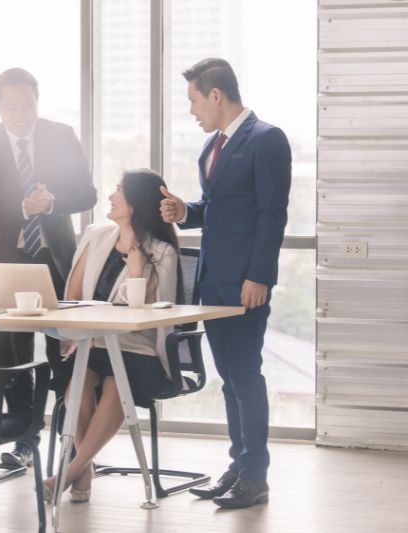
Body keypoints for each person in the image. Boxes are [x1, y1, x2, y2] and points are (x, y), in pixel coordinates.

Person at [159, 58, 291, 509]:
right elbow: (219, 206)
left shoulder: (266, 139)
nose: (192, 110)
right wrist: (186, 212)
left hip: (244, 283)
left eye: (195, 100)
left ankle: (255, 477)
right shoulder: (215, 145)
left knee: (245, 376)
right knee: (229, 380)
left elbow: (272, 214)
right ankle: (238, 466)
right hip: (215, 282)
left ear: (216, 95)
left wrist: (260, 276)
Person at [0, 67, 97, 468]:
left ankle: (70, 439)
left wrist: (51, 203)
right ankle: (25, 438)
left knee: (65, 350)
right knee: (14, 353)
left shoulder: (61, 135)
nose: (21, 116)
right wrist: (23, 207)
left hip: (55, 256)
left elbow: (87, 193)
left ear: (38, 100)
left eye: (27, 105)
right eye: (11, 108)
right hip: (7, 259)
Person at [40, 169, 183, 503]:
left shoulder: (162, 253)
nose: (110, 196)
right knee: (79, 383)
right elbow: (72, 294)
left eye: (118, 190)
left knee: (116, 383)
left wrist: (135, 271)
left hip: (139, 347)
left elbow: (153, 312)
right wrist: (73, 332)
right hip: (93, 341)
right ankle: (82, 471)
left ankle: (70, 472)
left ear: (134, 203)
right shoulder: (96, 236)